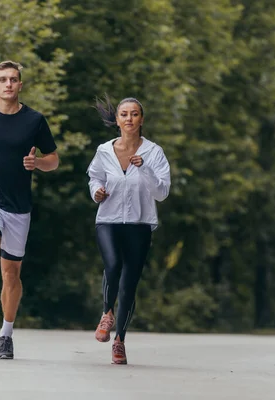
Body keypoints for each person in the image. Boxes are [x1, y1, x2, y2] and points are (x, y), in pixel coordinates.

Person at [0, 60, 59, 359]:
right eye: (2, 80)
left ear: (20, 85)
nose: (8, 84)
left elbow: (53, 159)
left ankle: (6, 334)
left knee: (11, 273)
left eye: (13, 80)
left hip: (19, 206)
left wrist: (37, 163)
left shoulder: (34, 121)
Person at [87, 95, 171, 364]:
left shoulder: (154, 152)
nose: (129, 119)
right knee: (112, 265)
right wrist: (96, 192)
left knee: (129, 283)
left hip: (140, 222)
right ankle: (106, 313)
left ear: (141, 119)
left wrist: (144, 168)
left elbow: (162, 193)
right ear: (117, 119)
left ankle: (120, 341)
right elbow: (94, 177)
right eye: (124, 114)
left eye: (135, 114)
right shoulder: (104, 151)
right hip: (108, 219)